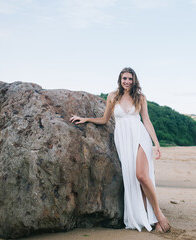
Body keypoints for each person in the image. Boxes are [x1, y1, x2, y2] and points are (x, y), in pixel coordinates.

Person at [69, 67, 170, 233]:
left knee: (142, 176)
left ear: (134, 80)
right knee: (135, 180)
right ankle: (147, 218)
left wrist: (157, 144)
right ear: (120, 79)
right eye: (124, 78)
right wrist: (86, 119)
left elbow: (147, 121)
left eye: (130, 79)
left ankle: (159, 216)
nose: (127, 82)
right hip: (123, 141)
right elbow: (104, 119)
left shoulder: (140, 97)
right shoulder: (112, 96)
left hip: (140, 137)